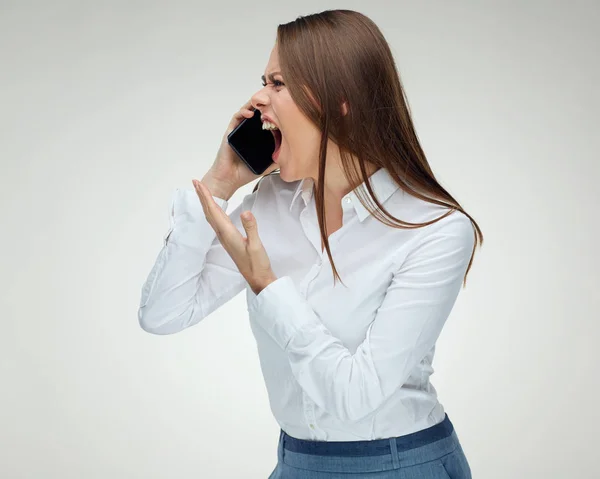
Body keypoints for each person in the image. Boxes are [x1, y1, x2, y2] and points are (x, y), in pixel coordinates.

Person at [138, 9, 483, 479]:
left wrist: (267, 285)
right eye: (263, 80)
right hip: (296, 463)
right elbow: (162, 314)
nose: (257, 98)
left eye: (277, 83)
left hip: (400, 465)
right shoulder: (270, 204)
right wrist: (218, 183)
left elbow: (355, 395)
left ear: (338, 102)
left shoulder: (436, 231)